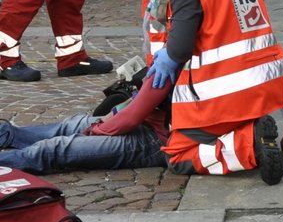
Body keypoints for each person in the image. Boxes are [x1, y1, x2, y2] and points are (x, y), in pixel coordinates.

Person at [142, 0, 283, 182]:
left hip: (222, 98)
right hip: (264, 92)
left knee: (177, 156)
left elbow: (179, 50)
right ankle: (249, 130)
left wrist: (163, 57)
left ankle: (247, 144)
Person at [0, 72, 171, 173]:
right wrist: (112, 115)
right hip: (147, 118)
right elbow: (138, 102)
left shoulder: (179, 49)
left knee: (53, 149)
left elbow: (131, 116)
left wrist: (99, 129)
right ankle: (6, 134)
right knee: (72, 125)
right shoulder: (171, 47)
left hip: (158, 140)